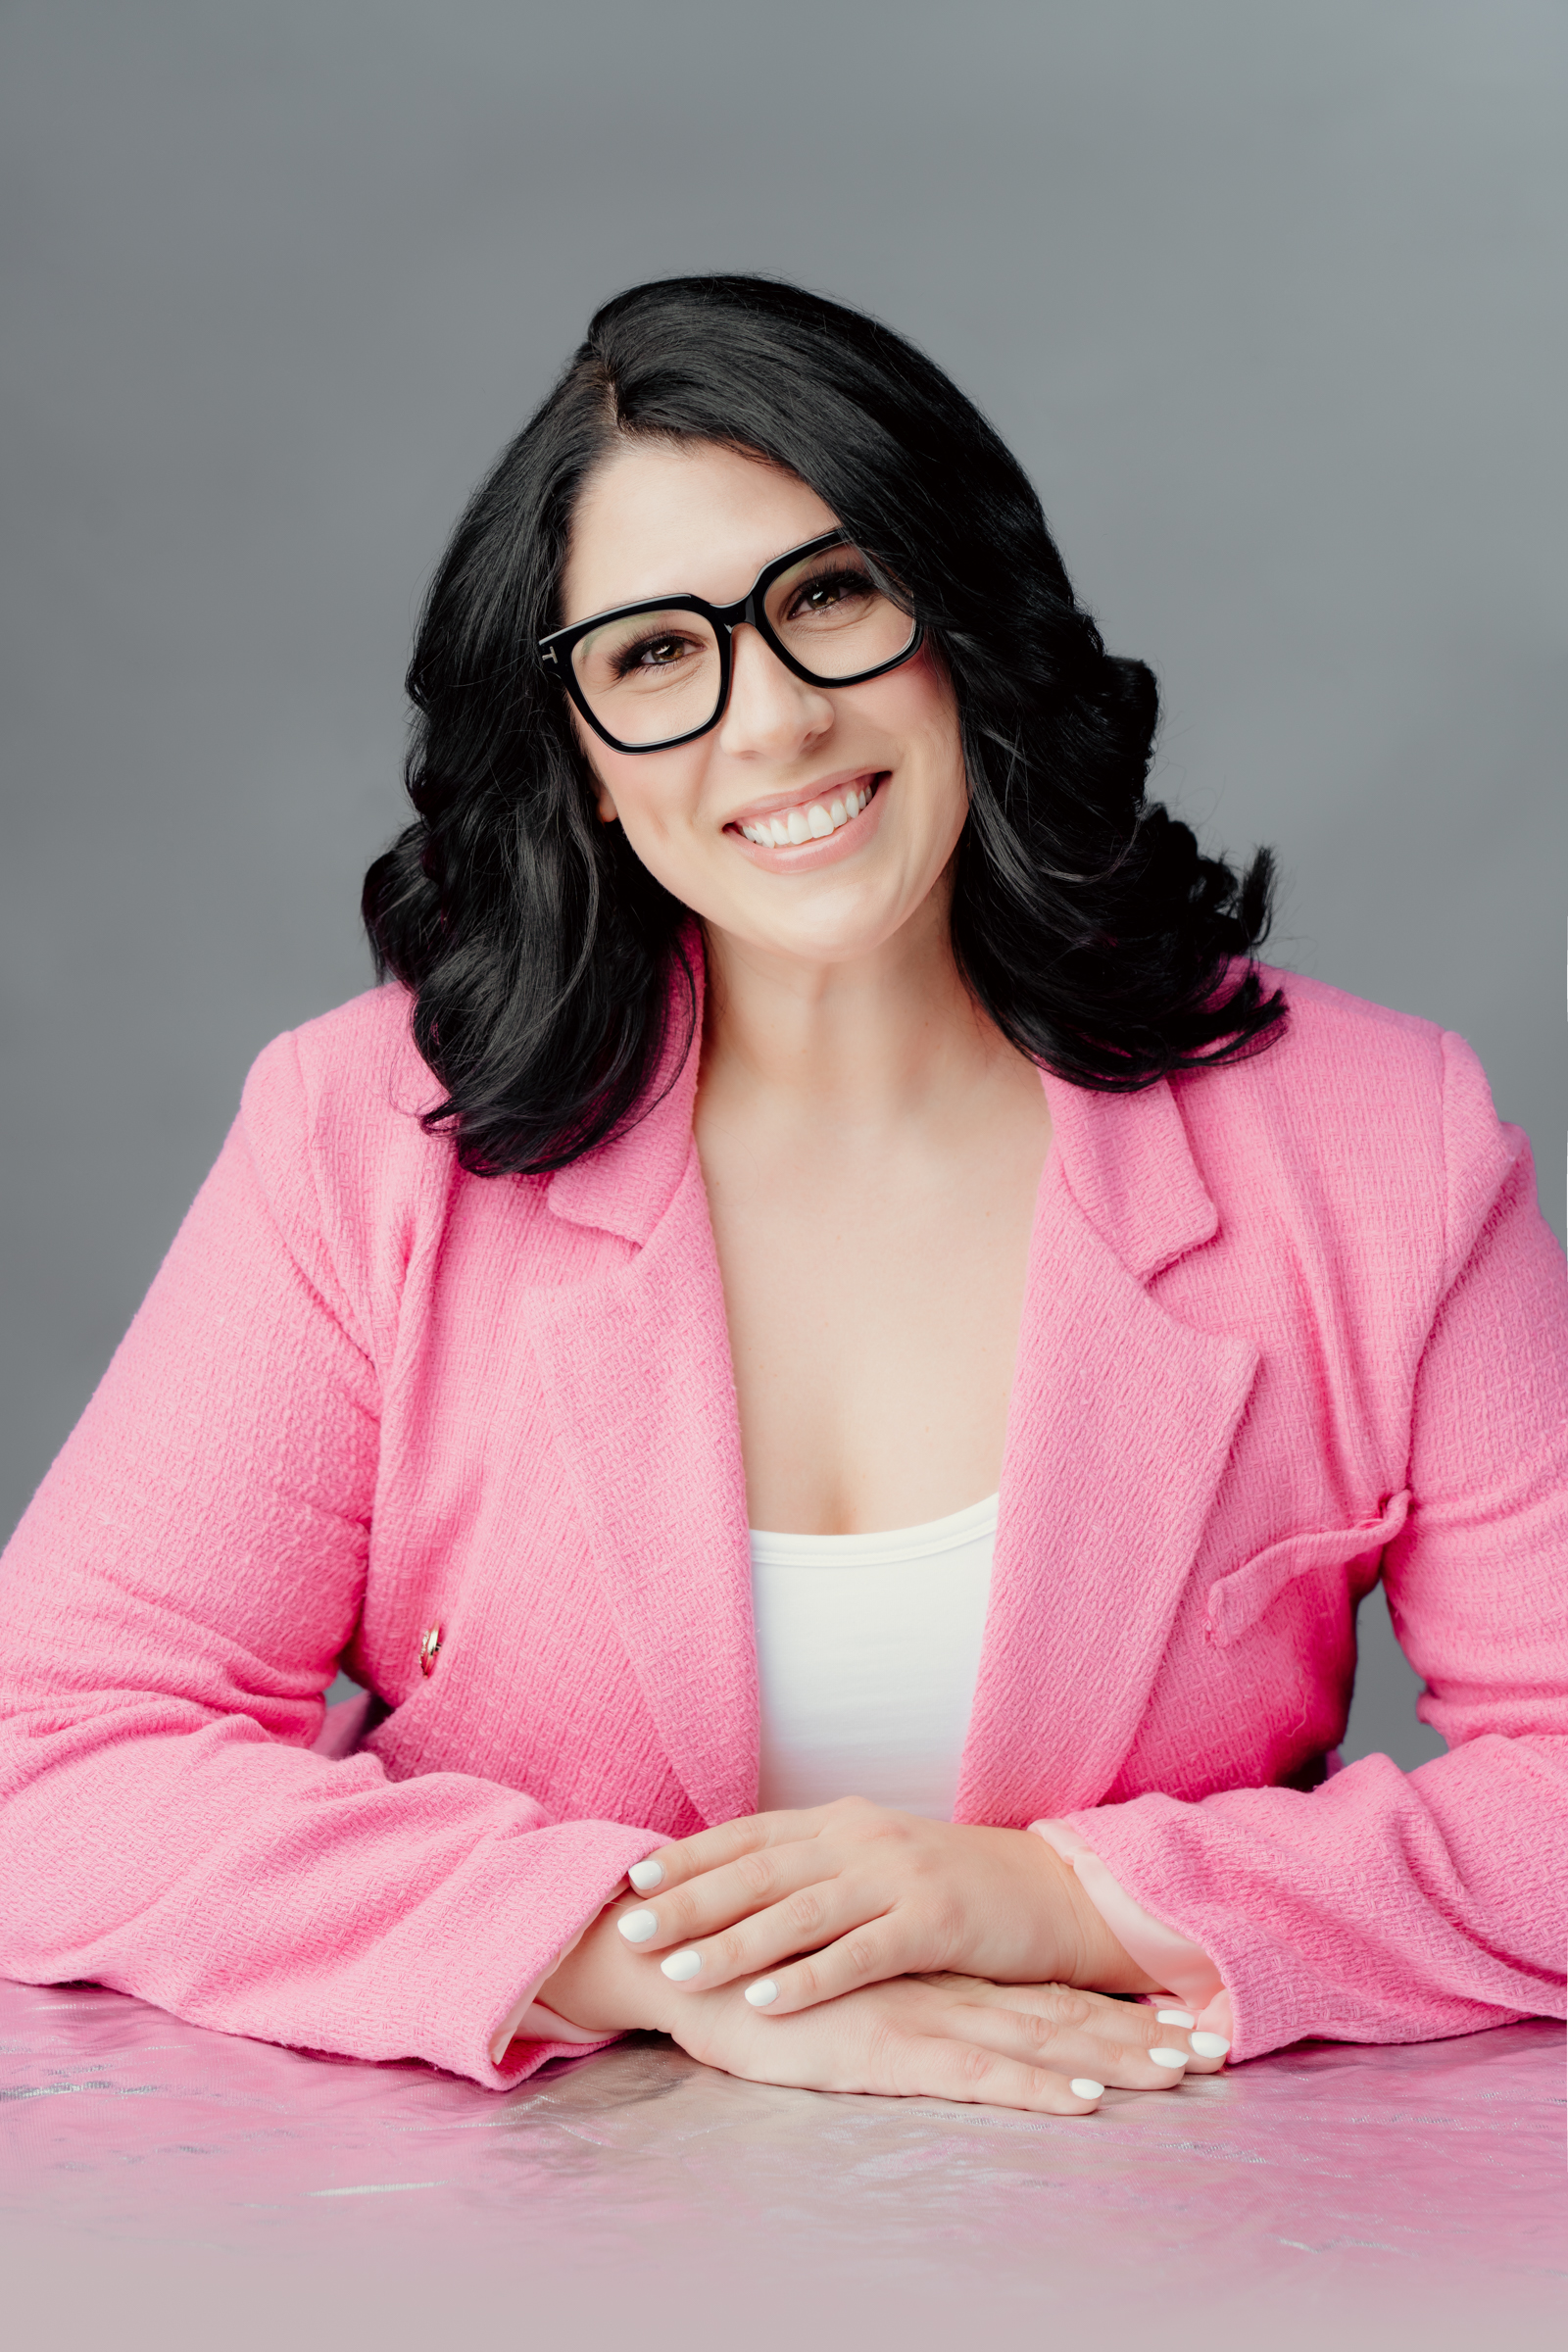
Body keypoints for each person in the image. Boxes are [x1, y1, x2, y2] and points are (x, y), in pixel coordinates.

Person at [2, 276, 1564, 2116]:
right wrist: (659, 1965)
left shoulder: (1379, 1139)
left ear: (966, 623)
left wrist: (1053, 1900)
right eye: (656, 656)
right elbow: (52, 1757)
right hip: (517, 2220)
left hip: (1175, 2201)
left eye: (830, 597)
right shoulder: (366, 1140)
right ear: (582, 759)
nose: (773, 722)